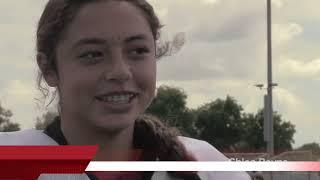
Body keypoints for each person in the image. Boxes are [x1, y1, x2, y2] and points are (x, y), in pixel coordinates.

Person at [0, 0, 251, 179]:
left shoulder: (208, 167)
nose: (120, 71)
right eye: (93, 54)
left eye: (138, 51)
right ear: (49, 69)